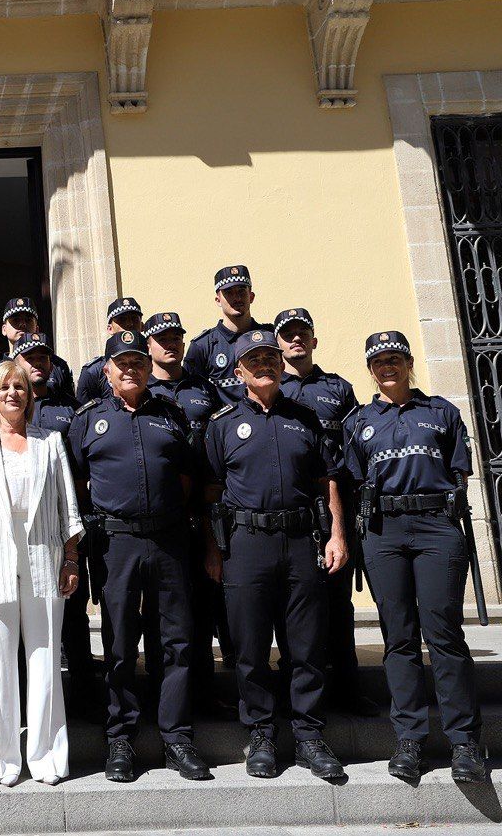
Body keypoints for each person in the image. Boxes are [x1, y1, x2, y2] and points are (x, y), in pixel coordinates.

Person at [202, 329, 348, 781]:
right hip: (245, 544)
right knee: (249, 648)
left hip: (301, 540)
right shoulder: (222, 424)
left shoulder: (305, 418)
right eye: (254, 360)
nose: (264, 365)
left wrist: (336, 535)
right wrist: (213, 549)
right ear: (239, 371)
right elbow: (210, 490)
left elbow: (327, 480)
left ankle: (309, 735)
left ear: (281, 365)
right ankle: (261, 734)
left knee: (305, 646)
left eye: (270, 358)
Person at [344, 330, 487, 783]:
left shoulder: (441, 412)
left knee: (444, 633)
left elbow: (460, 471)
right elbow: (352, 480)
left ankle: (465, 742)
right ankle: (409, 739)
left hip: (435, 526)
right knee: (399, 637)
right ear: (370, 370)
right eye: (379, 361)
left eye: (395, 359)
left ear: (408, 364)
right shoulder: (359, 421)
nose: (387, 367)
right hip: (383, 531)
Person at [68, 330, 210, 782]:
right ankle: (121, 738)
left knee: (176, 642)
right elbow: (76, 486)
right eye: (122, 363)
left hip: (168, 542)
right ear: (107, 371)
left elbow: (188, 477)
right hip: (116, 545)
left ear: (148, 368)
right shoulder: (88, 419)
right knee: (119, 643)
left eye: (137, 362)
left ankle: (176, 737)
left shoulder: (170, 414)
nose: (130, 369)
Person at [0, 361, 82, 787]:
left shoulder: (51, 442)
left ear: (30, 395)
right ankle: (0, 761)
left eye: (20, 387)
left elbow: (67, 506)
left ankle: (47, 757)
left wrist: (70, 559)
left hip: (45, 558)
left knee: (45, 660)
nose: (13, 393)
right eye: (4, 387)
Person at [275, 308, 378, 717]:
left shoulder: (338, 388)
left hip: (336, 508)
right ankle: (297, 692)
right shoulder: (271, 389)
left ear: (314, 340)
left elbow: (356, 448)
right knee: (294, 605)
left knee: (338, 603)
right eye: (288, 334)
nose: (296, 340)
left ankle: (347, 689)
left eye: (303, 333)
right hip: (294, 508)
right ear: (278, 343)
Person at [144, 312, 233, 719]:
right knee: (160, 614)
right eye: (161, 339)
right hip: (161, 516)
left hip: (202, 510)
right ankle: (161, 695)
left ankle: (205, 692)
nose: (170, 345)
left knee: (203, 606)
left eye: (175, 338)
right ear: (148, 345)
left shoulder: (204, 388)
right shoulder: (142, 390)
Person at [13, 332, 98, 718]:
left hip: (63, 526)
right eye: (29, 357)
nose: (37, 364)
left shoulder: (72, 410)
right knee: (20, 619)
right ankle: (24, 702)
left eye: (43, 358)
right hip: (20, 531)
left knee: (73, 612)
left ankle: (84, 695)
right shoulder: (6, 408)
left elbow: (80, 471)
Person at [185, 266, 272, 406]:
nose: (237, 298)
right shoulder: (202, 346)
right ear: (218, 300)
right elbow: (192, 396)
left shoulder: (270, 337)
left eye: (241, 291)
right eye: (229, 293)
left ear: (251, 296)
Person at [0, 297, 74, 395]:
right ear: (4, 329)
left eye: (28, 320)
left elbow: (69, 402)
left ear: (37, 329)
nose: (22, 324)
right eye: (16, 320)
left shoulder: (57, 366)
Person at [75, 298, 144, 405]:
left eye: (134, 319)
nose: (129, 324)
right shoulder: (93, 372)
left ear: (142, 326)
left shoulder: (152, 365)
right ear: (110, 328)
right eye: (122, 320)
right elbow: (85, 412)